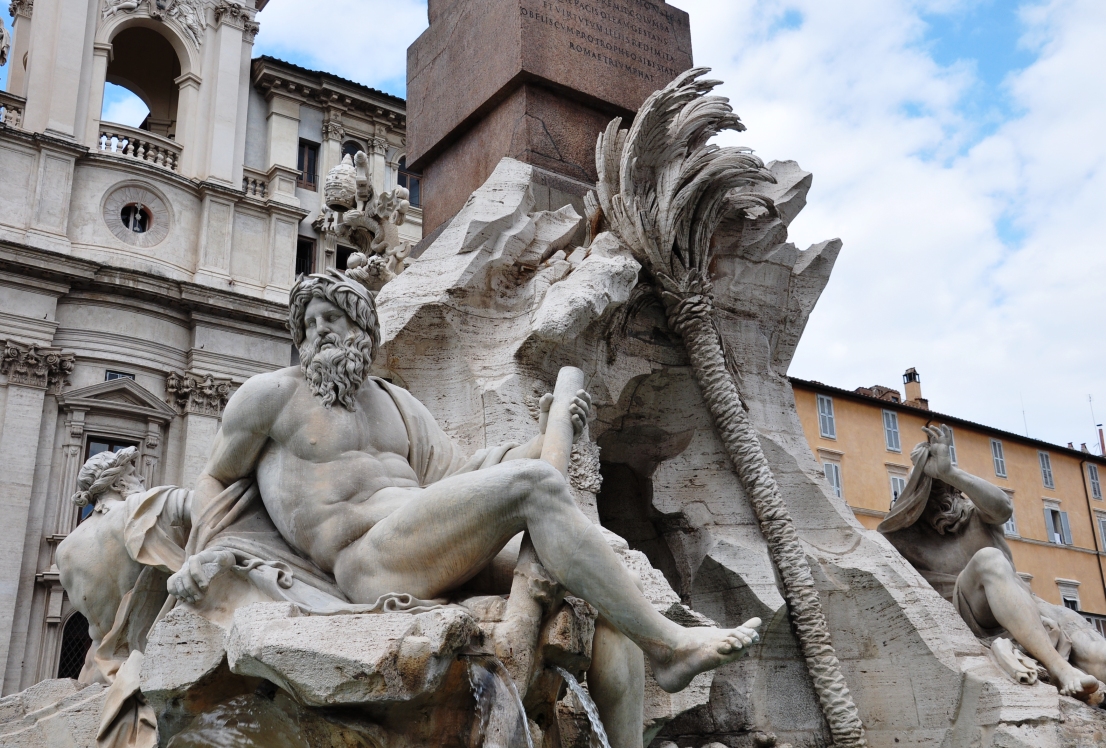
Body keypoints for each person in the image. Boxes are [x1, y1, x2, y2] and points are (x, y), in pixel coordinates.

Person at [166, 269, 761, 707]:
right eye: (309, 323)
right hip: (366, 559)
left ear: (362, 330)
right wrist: (203, 555)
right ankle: (670, 647)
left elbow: (464, 474)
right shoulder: (271, 395)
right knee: (533, 487)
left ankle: (648, 660)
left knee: (598, 602)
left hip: (427, 540)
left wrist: (550, 431)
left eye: (333, 319)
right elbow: (218, 476)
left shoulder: (398, 403)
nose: (319, 332)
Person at [879, 425, 1106, 700]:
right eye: (931, 491)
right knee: (989, 558)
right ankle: (1059, 669)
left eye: (949, 488)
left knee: (1097, 655)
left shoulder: (979, 515)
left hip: (1028, 602)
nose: (944, 497)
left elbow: (1003, 507)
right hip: (972, 613)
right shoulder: (904, 539)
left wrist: (949, 471)